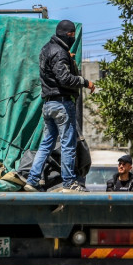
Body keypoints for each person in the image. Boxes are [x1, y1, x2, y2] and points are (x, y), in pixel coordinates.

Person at [24, 20, 95, 193]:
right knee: (68, 144)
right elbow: (65, 79)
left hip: (48, 104)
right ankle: (69, 183)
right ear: (66, 34)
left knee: (46, 144)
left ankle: (32, 180)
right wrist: (85, 82)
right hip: (62, 104)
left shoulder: (46, 49)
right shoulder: (60, 52)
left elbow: (54, 73)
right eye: (71, 35)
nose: (72, 38)